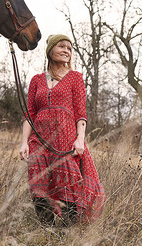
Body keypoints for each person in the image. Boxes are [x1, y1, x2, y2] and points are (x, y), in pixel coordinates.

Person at [20, 34, 105, 226]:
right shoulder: (37, 80)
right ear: (51, 50)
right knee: (38, 186)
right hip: (39, 141)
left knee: (68, 188)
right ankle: (47, 231)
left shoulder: (75, 78)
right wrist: (24, 142)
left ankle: (67, 234)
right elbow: (29, 114)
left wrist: (79, 139)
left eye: (69, 48)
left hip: (65, 140)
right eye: (62, 46)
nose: (67, 50)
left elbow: (81, 114)